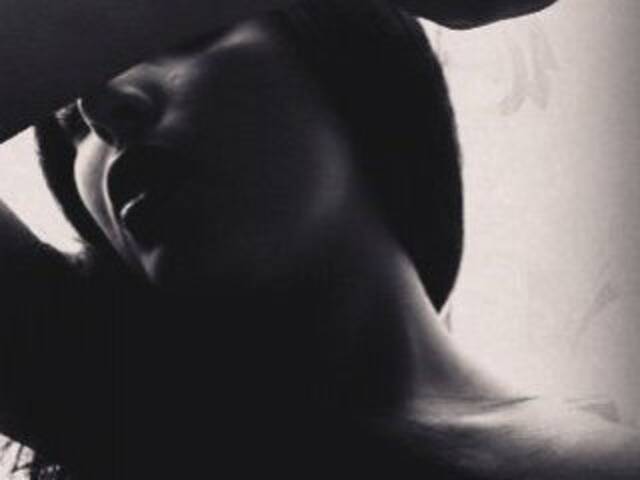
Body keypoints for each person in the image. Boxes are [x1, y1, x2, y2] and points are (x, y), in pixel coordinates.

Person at [0, 0, 638, 478]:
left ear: (352, 58)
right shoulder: (105, 392)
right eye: (69, 121)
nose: (101, 112)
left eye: (180, 38)